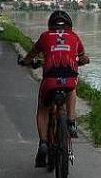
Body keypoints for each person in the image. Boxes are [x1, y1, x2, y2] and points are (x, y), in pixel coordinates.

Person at [19, 9, 89, 167]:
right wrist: (83, 61)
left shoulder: (45, 36)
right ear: (69, 25)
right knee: (72, 89)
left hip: (50, 80)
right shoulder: (74, 37)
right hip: (69, 79)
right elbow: (83, 58)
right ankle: (71, 122)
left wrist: (25, 61)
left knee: (43, 109)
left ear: (50, 25)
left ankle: (43, 143)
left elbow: (32, 54)